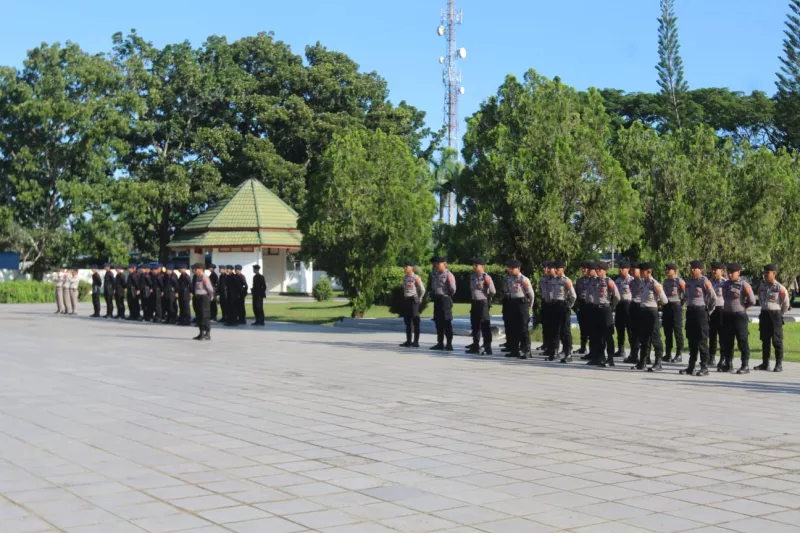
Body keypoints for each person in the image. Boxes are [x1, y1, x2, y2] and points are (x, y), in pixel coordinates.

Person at [681, 260, 716, 376]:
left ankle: (704, 366)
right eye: (691, 268)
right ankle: (691, 366)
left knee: (702, 339)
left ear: (700, 270)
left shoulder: (704, 281)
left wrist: (708, 311)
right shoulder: (689, 282)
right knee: (691, 339)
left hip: (701, 311)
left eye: (694, 268)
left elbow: (713, 298)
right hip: (691, 311)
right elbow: (686, 297)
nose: (692, 270)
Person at [719, 262, 756, 374]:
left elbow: (752, 300)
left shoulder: (744, 285)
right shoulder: (725, 284)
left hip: (739, 316)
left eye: (732, 272)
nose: (729, 274)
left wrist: (744, 307)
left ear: (738, 272)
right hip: (727, 315)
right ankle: (728, 364)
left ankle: (745, 365)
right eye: (728, 272)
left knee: (742, 340)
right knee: (727, 341)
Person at [632, 263, 667, 371]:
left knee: (655, 337)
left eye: (642, 271)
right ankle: (642, 362)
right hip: (642, 311)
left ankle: (658, 362)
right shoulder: (642, 283)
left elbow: (665, 300)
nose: (640, 273)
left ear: (648, 271)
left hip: (652, 312)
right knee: (644, 338)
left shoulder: (655, 284)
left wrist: (656, 304)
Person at [755, 264, 790, 372]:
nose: (765, 275)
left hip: (775, 316)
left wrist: (779, 313)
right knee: (765, 340)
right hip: (765, 315)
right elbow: (761, 300)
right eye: (764, 273)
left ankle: (778, 364)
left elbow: (785, 304)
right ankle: (765, 363)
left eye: (767, 273)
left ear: (774, 274)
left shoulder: (780, 288)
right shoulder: (762, 287)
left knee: (777, 341)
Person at [589, 262, 620, 367]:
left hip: (606, 309)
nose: (597, 271)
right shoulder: (594, 281)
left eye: (599, 269)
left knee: (607, 335)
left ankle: (610, 358)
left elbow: (617, 296)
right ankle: (599, 357)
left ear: (605, 271)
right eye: (597, 269)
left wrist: (611, 306)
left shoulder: (609, 282)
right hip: (596, 309)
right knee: (597, 335)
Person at [503, 260, 535, 359]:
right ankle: (514, 350)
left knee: (523, 328)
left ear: (519, 269)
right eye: (510, 268)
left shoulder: (523, 279)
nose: (511, 270)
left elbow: (531, 294)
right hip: (513, 304)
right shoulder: (509, 279)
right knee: (513, 328)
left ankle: (527, 350)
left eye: (513, 268)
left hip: (522, 304)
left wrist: (530, 305)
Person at [467, 258, 496, 355]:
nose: (474, 267)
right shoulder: (473, 276)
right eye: (473, 265)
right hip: (474, 302)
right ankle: (475, 345)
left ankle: (487, 346)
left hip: (483, 302)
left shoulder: (486, 277)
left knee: (485, 325)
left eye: (476, 265)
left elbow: (493, 291)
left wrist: (486, 295)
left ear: (482, 267)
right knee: (475, 324)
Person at [551, 260, 576, 363]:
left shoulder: (567, 281)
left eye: (558, 269)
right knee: (557, 330)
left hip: (564, 306)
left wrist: (569, 306)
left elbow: (573, 296)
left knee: (566, 331)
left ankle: (569, 353)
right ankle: (557, 352)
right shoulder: (554, 280)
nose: (556, 271)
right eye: (555, 269)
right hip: (556, 305)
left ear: (563, 269)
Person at [430, 257, 457, 351]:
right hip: (437, 299)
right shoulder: (435, 274)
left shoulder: (448, 275)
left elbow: (453, 289)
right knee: (438, 322)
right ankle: (440, 343)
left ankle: (449, 344)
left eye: (438, 263)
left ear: (444, 264)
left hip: (445, 299)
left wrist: (447, 296)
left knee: (446, 322)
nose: (436, 265)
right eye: (435, 264)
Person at [662, 264, 686, 363]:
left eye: (669, 269)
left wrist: (682, 304)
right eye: (666, 269)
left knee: (677, 330)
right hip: (667, 306)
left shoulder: (679, 281)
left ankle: (679, 353)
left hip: (676, 306)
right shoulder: (666, 281)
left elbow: (686, 293)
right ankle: (668, 353)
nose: (667, 271)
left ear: (674, 271)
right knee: (667, 331)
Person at [400, 261, 426, 348]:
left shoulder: (416, 277)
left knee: (415, 321)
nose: (405, 268)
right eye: (404, 267)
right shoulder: (405, 278)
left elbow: (422, 289)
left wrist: (420, 297)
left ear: (412, 267)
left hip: (413, 300)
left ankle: (416, 342)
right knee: (407, 321)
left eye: (406, 266)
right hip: (407, 300)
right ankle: (408, 341)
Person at [614, 261, 634, 359]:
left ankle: (633, 351)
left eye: (622, 268)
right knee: (619, 327)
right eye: (620, 268)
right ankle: (621, 350)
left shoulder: (632, 280)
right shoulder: (618, 280)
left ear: (628, 269)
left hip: (629, 304)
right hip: (619, 305)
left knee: (630, 329)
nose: (620, 270)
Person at [624, 263, 642, 364]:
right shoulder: (632, 282)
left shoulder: (644, 282)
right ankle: (634, 355)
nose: (632, 272)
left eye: (634, 270)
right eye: (631, 270)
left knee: (643, 333)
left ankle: (645, 356)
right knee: (633, 333)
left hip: (642, 307)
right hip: (633, 306)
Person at [191, 263, 215, 341]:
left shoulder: (204, 277)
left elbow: (210, 288)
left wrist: (211, 296)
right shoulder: (197, 277)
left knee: (205, 315)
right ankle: (201, 333)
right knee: (199, 315)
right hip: (198, 297)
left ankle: (207, 334)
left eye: (195, 269)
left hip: (204, 298)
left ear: (200, 269)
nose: (193, 270)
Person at [708, 261, 726, 369]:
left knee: (723, 335)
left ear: (722, 271)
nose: (714, 271)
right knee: (712, 335)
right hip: (712, 311)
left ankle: (723, 357)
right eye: (713, 269)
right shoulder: (709, 282)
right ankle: (711, 357)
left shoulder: (725, 282)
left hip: (722, 310)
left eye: (716, 270)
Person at [575, 262, 591, 356]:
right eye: (583, 268)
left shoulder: (593, 280)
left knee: (590, 328)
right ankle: (583, 347)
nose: (583, 270)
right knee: (582, 327)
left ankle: (591, 349)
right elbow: (577, 293)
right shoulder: (579, 280)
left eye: (585, 268)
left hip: (589, 304)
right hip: (582, 305)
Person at [540, 262, 556, 356]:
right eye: (544, 268)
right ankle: (547, 345)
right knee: (546, 327)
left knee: (553, 328)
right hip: (545, 302)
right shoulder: (543, 279)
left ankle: (553, 348)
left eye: (548, 268)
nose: (545, 270)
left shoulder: (555, 279)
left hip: (553, 304)